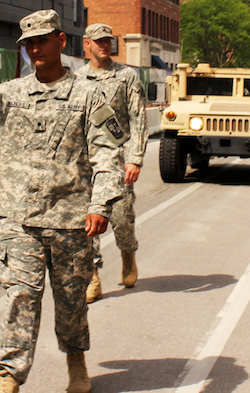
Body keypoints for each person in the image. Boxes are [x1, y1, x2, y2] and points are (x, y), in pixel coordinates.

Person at [0, 10, 126, 393]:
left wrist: (100, 205)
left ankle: (76, 360)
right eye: (28, 43)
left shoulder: (90, 96)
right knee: (20, 296)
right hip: (19, 218)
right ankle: (8, 375)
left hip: (72, 221)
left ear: (61, 41)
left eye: (42, 40)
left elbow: (108, 156)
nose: (35, 48)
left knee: (72, 302)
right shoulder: (11, 94)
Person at [76, 23, 148, 302]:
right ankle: (92, 276)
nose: (104, 45)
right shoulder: (77, 78)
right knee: (87, 221)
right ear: (87, 44)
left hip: (117, 160)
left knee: (121, 217)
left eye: (108, 41)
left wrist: (135, 159)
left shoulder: (126, 76)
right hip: (86, 162)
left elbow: (138, 117)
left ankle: (128, 254)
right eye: (98, 41)